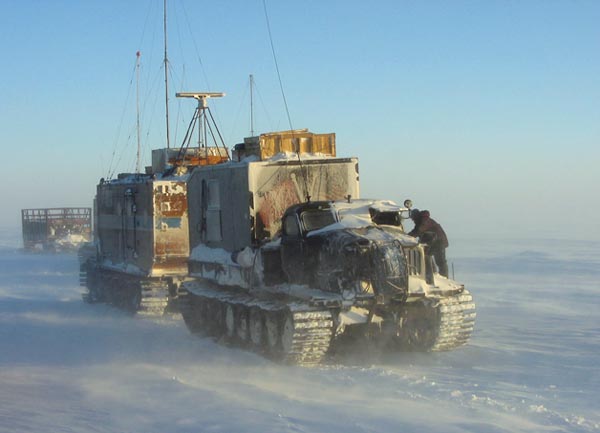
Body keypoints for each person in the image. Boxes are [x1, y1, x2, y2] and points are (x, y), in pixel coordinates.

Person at [408, 209, 449, 277]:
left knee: (440, 261)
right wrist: (407, 236)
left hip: (439, 241)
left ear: (416, 216)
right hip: (433, 242)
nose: (413, 220)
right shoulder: (420, 221)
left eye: (413, 218)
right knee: (426, 256)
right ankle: (433, 273)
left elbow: (418, 231)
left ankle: (444, 277)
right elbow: (415, 231)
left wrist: (408, 236)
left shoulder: (424, 220)